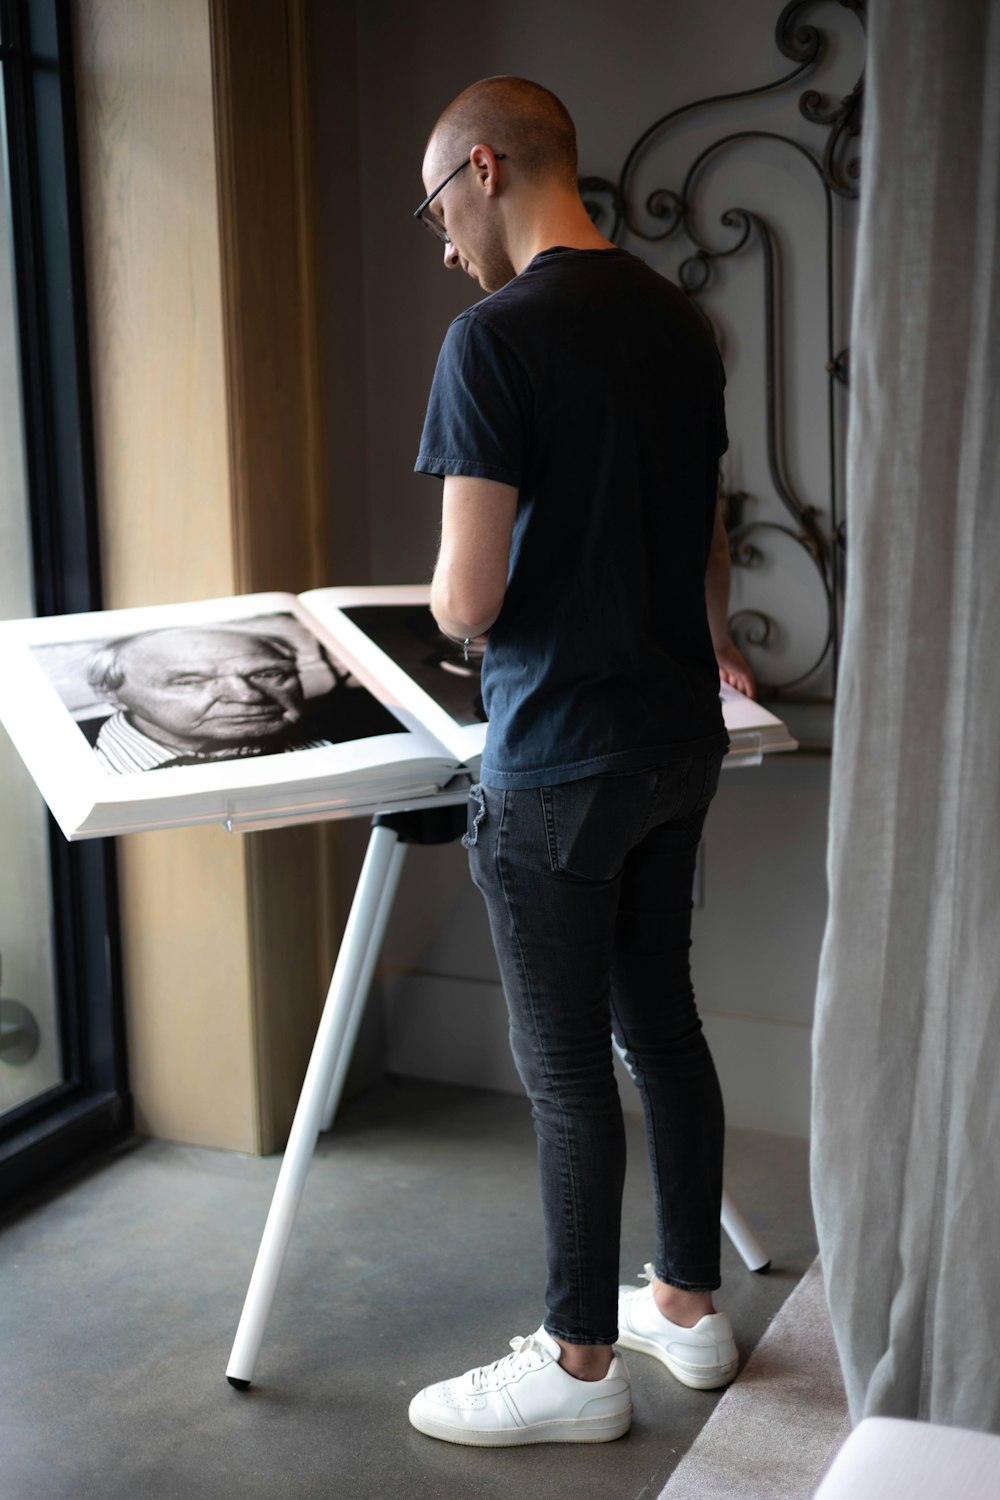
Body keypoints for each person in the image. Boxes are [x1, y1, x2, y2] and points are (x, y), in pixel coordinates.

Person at [408, 76, 755, 1448]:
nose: (440, 242)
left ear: (484, 169)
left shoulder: (493, 338)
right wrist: (719, 650)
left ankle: (578, 1365)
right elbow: (712, 522)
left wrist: (440, 608)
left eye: (437, 205)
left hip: (556, 758)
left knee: (564, 1071)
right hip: (678, 738)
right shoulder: (677, 320)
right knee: (662, 1027)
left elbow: (468, 603)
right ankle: (688, 1306)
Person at [86, 626, 393, 773]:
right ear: (112, 695)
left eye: (269, 674)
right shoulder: (83, 763)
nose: (247, 696)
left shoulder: (370, 726)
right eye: (190, 681)